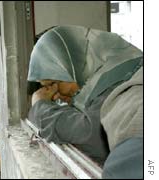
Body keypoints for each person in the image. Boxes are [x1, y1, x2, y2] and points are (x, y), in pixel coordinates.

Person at [27, 26, 143, 177]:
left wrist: (40, 107)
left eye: (53, 83)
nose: (54, 95)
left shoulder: (122, 82)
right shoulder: (114, 74)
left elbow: (91, 135)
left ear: (73, 65)